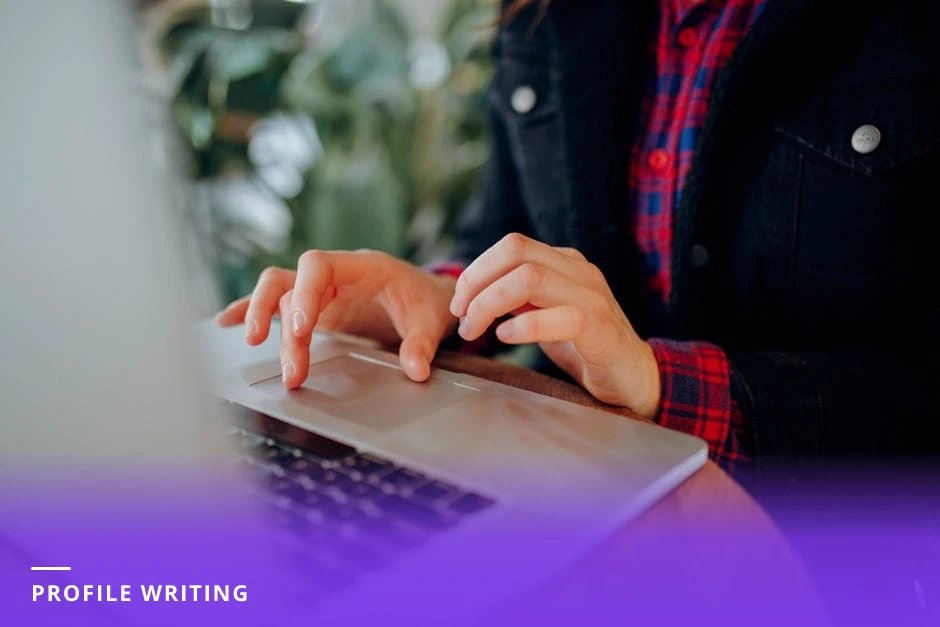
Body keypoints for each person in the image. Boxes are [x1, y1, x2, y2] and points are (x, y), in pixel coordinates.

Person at [217, 0, 940, 476]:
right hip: (580, 491)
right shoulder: (546, 15)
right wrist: (437, 297)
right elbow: (505, 229)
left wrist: (657, 383)